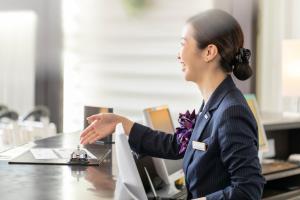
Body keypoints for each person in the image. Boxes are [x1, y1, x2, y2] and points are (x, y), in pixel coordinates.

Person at [80, 9, 265, 200]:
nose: (178, 55)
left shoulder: (231, 111)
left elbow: (248, 189)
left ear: (209, 52)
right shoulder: (213, 103)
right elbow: (179, 145)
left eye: (183, 44)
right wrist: (121, 123)